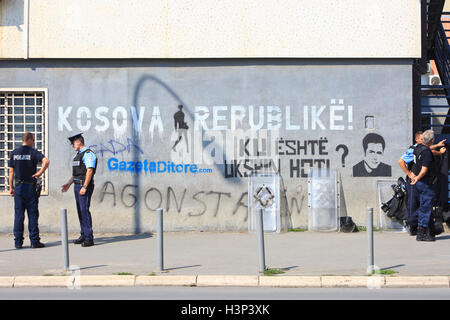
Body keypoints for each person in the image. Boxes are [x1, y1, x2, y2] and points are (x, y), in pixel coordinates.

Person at [398, 131, 446, 235]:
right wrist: (410, 174)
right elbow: (401, 161)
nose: (423, 140)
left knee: (425, 206)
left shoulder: (422, 148)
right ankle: (415, 228)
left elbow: (429, 151)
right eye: (421, 138)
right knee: (414, 205)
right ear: (417, 140)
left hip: (421, 181)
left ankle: (427, 229)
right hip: (415, 181)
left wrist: (438, 147)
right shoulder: (413, 149)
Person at [8, 132, 50, 249]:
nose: (34, 143)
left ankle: (18, 242)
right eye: (34, 140)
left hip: (18, 187)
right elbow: (46, 161)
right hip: (30, 187)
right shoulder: (33, 152)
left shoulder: (14, 153)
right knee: (32, 214)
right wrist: (39, 173)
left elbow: (11, 172)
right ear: (30, 139)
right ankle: (34, 241)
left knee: (18, 215)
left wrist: (11, 187)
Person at [61, 133, 97, 247]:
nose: (72, 145)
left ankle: (89, 237)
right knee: (80, 211)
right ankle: (83, 234)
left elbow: (89, 171)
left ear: (79, 142)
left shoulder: (88, 154)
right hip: (77, 185)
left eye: (73, 143)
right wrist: (68, 184)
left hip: (83, 186)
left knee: (84, 210)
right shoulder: (78, 155)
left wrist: (85, 187)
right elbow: (76, 174)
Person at [410, 129, 439, 242]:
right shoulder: (426, 152)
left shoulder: (418, 149)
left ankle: (422, 232)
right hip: (426, 183)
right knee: (426, 208)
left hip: (420, 183)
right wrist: (417, 177)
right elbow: (424, 170)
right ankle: (422, 234)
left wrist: (413, 176)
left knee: (423, 208)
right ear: (432, 140)